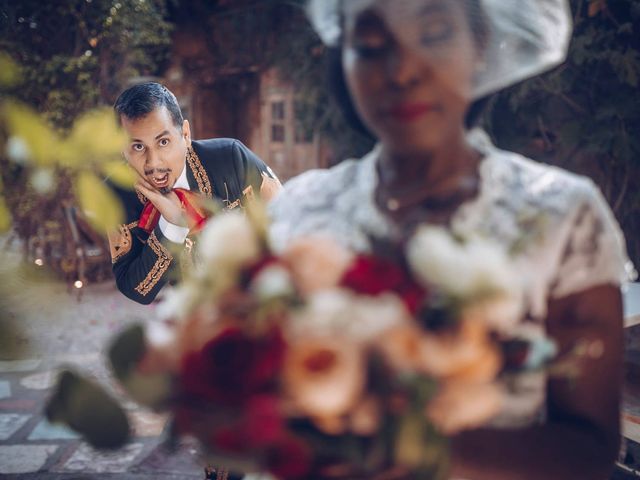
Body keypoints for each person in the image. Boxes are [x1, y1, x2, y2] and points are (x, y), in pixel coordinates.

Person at [269, 0, 637, 479]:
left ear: (481, 47)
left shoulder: (563, 215)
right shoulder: (298, 209)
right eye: (371, 45)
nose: (402, 71)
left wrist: (406, 448)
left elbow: (588, 445)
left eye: (435, 33)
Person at [109, 82, 281, 304]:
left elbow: (289, 223)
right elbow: (137, 290)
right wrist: (172, 224)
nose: (154, 163)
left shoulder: (231, 158)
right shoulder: (119, 193)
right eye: (138, 147)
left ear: (186, 134)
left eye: (163, 142)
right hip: (194, 313)